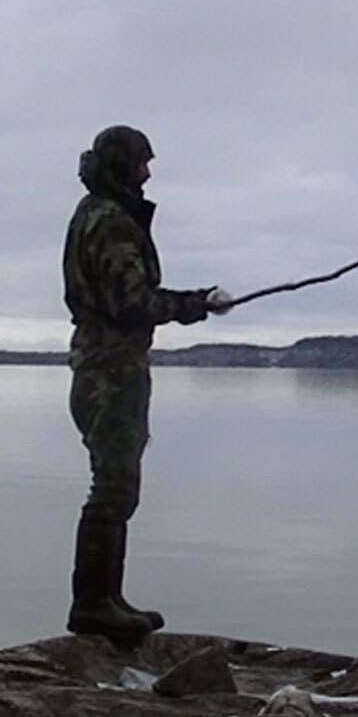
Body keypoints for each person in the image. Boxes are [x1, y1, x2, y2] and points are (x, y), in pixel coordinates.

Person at [61, 125, 230, 643]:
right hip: (110, 372)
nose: (147, 173)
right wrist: (193, 305)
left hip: (104, 367)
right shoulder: (110, 221)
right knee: (114, 486)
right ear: (122, 165)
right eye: (141, 163)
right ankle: (94, 605)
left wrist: (191, 301)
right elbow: (131, 302)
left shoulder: (97, 213)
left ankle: (107, 600)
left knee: (116, 485)